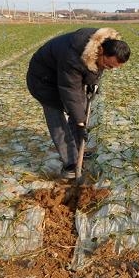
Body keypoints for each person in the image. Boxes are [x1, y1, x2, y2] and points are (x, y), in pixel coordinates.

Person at [26, 27, 131, 179]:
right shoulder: (73, 55)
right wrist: (80, 123)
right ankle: (71, 163)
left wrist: (92, 83)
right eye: (108, 66)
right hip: (44, 80)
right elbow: (70, 90)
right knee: (58, 120)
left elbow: (95, 67)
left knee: (79, 110)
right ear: (101, 51)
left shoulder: (103, 45)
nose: (109, 69)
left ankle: (77, 147)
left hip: (64, 76)